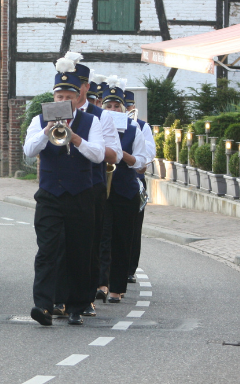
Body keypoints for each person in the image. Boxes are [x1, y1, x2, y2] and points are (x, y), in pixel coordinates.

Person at [23, 57, 105, 326]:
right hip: (49, 194)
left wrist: (76, 138)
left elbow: (98, 155)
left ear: (76, 98)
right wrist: (47, 132)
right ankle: (43, 305)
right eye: (59, 95)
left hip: (80, 194)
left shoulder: (90, 121)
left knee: (79, 251)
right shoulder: (40, 120)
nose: (63, 99)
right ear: (53, 96)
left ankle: (77, 306)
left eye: (68, 96)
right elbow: (28, 151)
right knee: (47, 250)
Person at [52, 59, 122, 319]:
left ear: (85, 86)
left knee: (87, 246)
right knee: (57, 244)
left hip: (90, 186)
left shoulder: (100, 116)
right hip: (59, 185)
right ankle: (59, 298)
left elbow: (113, 154)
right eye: (66, 87)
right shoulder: (54, 110)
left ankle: (86, 296)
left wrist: (87, 144)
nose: (74, 90)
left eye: (78, 85)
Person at [99, 80, 147, 302]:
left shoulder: (133, 128)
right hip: (101, 189)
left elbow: (141, 162)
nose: (112, 110)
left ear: (124, 109)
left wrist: (119, 155)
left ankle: (117, 288)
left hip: (125, 190)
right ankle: (101, 284)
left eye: (116, 107)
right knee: (102, 238)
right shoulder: (96, 124)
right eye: (108, 106)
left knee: (121, 238)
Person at [124, 89, 155, 282]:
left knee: (133, 228)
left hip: (135, 181)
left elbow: (149, 153)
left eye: (128, 106)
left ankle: (129, 269)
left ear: (133, 107)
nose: (126, 109)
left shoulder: (142, 127)